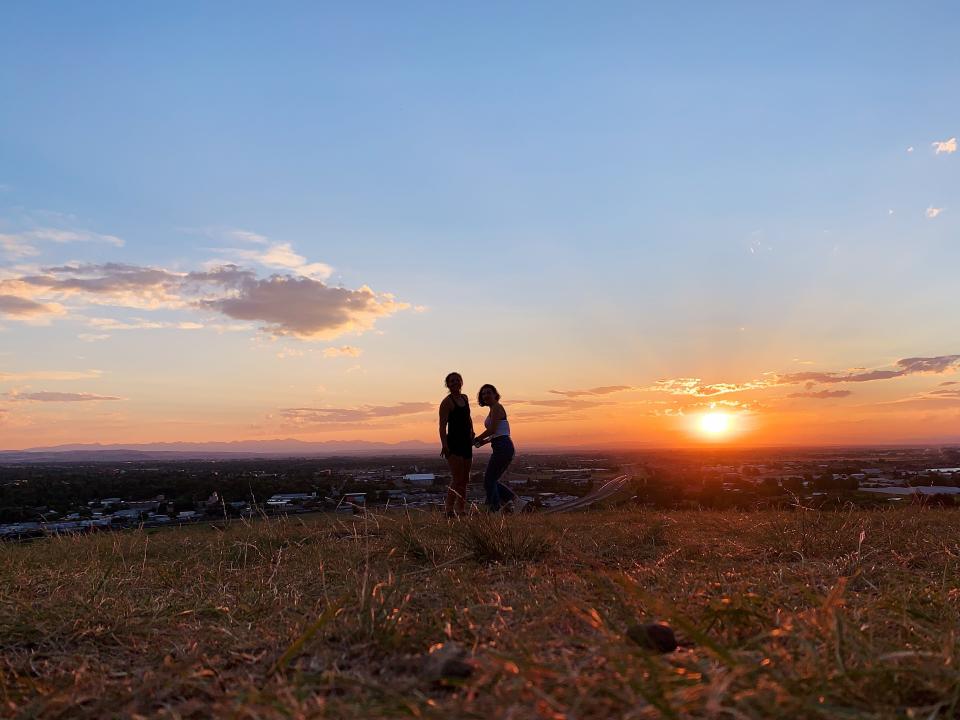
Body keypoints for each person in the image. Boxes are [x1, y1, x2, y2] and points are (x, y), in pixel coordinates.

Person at [473, 383, 525, 512]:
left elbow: (492, 429)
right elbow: (497, 432)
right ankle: (516, 502)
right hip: (501, 445)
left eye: (488, 392)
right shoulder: (493, 409)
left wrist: (477, 439)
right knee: (491, 480)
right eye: (483, 393)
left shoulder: (497, 407)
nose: (485, 395)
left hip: (503, 446)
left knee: (489, 480)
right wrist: (483, 442)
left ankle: (495, 508)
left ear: (495, 395)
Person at [438, 372, 474, 517]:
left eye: (457, 380)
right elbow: (442, 426)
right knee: (457, 478)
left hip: (466, 443)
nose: (454, 383)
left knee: (465, 479)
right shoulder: (446, 402)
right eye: (451, 381)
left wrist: (472, 431)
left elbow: (468, 418)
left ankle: (461, 509)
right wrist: (445, 445)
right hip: (453, 443)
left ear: (461, 382)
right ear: (447, 385)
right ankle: (448, 509)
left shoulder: (465, 398)